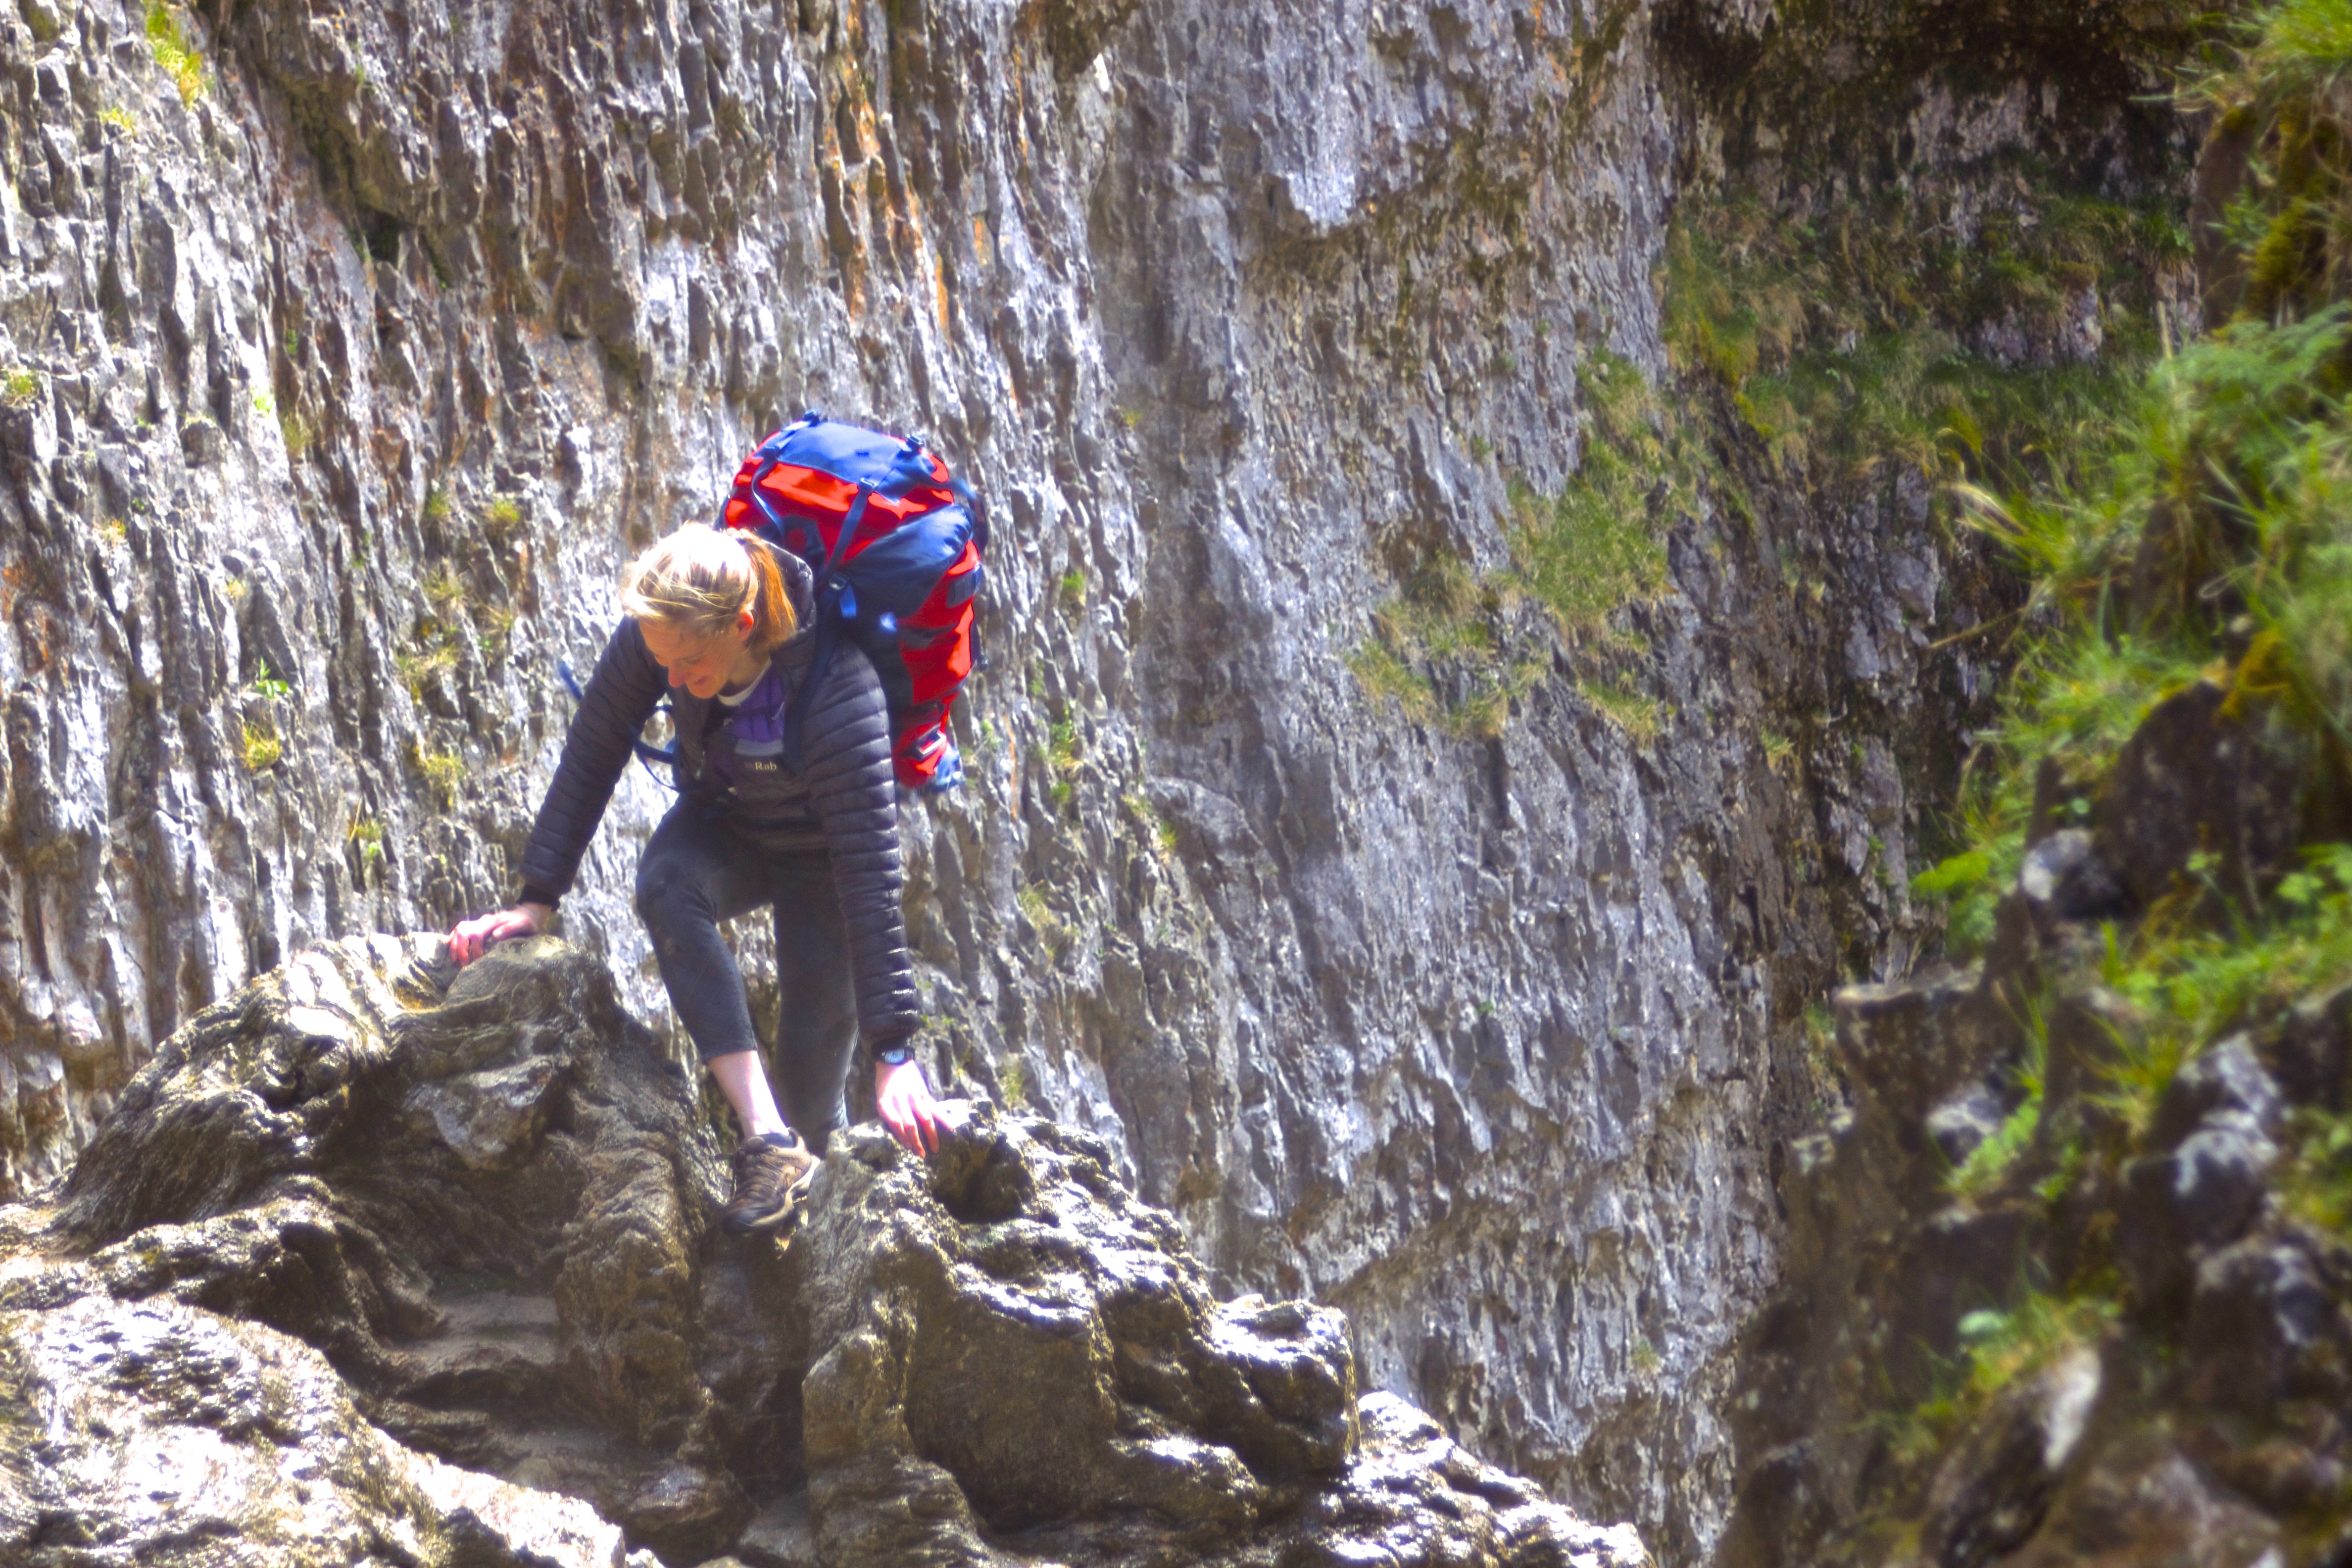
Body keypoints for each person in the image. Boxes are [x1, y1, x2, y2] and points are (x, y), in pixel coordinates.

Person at [448, 525, 944, 1233]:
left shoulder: (839, 693)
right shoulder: (664, 637)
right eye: (662, 662)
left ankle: (831, 1230)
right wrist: (537, 898)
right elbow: (594, 747)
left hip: (824, 862)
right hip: (728, 820)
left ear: (744, 625)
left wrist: (893, 1052)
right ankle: (766, 1139)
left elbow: (870, 874)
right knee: (665, 883)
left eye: (690, 663)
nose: (673, 679)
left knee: (814, 1092)